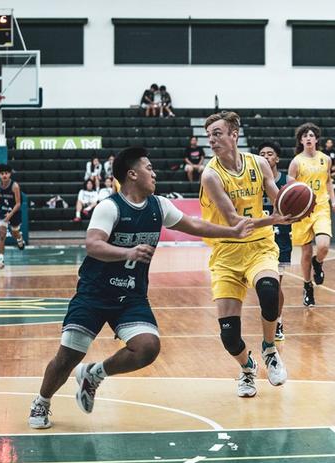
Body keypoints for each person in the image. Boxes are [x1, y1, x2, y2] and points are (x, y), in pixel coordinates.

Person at [28, 146, 254, 429]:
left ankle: (94, 374)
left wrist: (232, 231)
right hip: (94, 294)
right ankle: (42, 401)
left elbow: (194, 225)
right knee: (67, 357)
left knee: (148, 347)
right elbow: (93, 245)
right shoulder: (109, 207)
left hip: (131, 296)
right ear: (132, 174)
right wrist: (127, 252)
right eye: (148, 167)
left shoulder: (159, 205)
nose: (154, 172)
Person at [200, 111, 291, 398]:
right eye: (209, 135)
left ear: (234, 135)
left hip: (259, 247)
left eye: (217, 133)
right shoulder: (211, 175)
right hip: (226, 252)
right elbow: (234, 222)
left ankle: (269, 349)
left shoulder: (259, 163)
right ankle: (247, 368)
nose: (212, 140)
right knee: (229, 335)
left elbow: (279, 200)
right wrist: (276, 219)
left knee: (268, 288)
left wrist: (294, 205)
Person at [288, 123, 335, 307]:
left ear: (316, 139)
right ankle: (307, 286)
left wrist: (333, 201)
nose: (308, 138)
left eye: (311, 135)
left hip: (320, 207)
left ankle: (318, 263)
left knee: (323, 245)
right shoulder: (296, 162)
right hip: (302, 210)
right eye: (305, 135)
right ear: (301, 140)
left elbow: (328, 181)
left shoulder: (325, 159)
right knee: (305, 251)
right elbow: (290, 189)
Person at [258, 140, 292, 341]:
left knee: (275, 285)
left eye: (269, 153)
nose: (265, 156)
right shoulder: (253, 181)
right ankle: (270, 318)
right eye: (262, 153)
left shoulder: (288, 181)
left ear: (277, 158)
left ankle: (277, 320)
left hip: (280, 238)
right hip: (257, 238)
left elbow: (297, 208)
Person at [0, 164, 25, 269]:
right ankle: (0, 259)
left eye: (6, 173)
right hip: (3, 211)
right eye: (2, 174)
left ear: (10, 174)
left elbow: (18, 204)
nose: (4, 175)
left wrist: (10, 215)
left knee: (15, 233)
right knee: (2, 235)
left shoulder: (15, 186)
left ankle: (20, 239)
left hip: (14, 211)